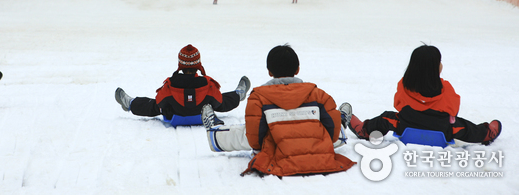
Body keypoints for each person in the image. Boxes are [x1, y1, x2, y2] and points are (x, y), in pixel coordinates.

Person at [201, 44, 354, 177]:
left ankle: (215, 132)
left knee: (244, 133)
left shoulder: (259, 97)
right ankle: (341, 121)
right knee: (332, 132)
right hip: (316, 151)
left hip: (278, 151)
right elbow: (332, 134)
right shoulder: (318, 94)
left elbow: (255, 140)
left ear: (269, 71)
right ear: (298, 69)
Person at [340, 45, 502, 145]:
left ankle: (365, 131)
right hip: (441, 130)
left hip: (407, 127)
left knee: (386, 118)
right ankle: (486, 134)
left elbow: (398, 106)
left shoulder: (404, 85)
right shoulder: (445, 88)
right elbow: (453, 112)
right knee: (463, 127)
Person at [115, 44, 250, 122]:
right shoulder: (207, 84)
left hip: (175, 116)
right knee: (222, 101)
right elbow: (219, 101)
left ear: (180, 65)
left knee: (153, 106)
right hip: (201, 115)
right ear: (198, 64)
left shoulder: (170, 85)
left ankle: (131, 103)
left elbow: (159, 100)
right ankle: (238, 94)